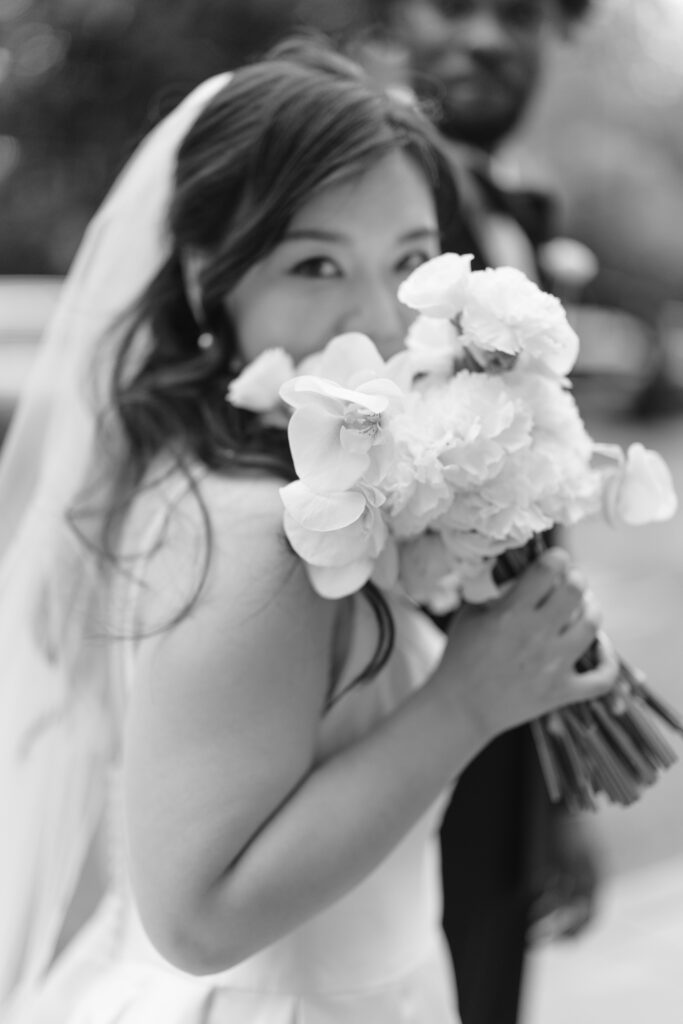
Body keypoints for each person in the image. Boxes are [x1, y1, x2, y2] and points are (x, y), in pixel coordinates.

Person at [0, 40, 616, 1024]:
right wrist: (469, 698)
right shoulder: (266, 533)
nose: (375, 315)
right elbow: (196, 917)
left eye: (409, 260)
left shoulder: (214, 462)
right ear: (210, 275)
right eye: (315, 262)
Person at [339, 4, 602, 1023]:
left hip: (505, 714)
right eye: (455, 5)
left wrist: (561, 773)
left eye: (523, 13)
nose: (489, 39)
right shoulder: (360, 205)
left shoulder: (519, 210)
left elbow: (537, 494)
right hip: (388, 704)